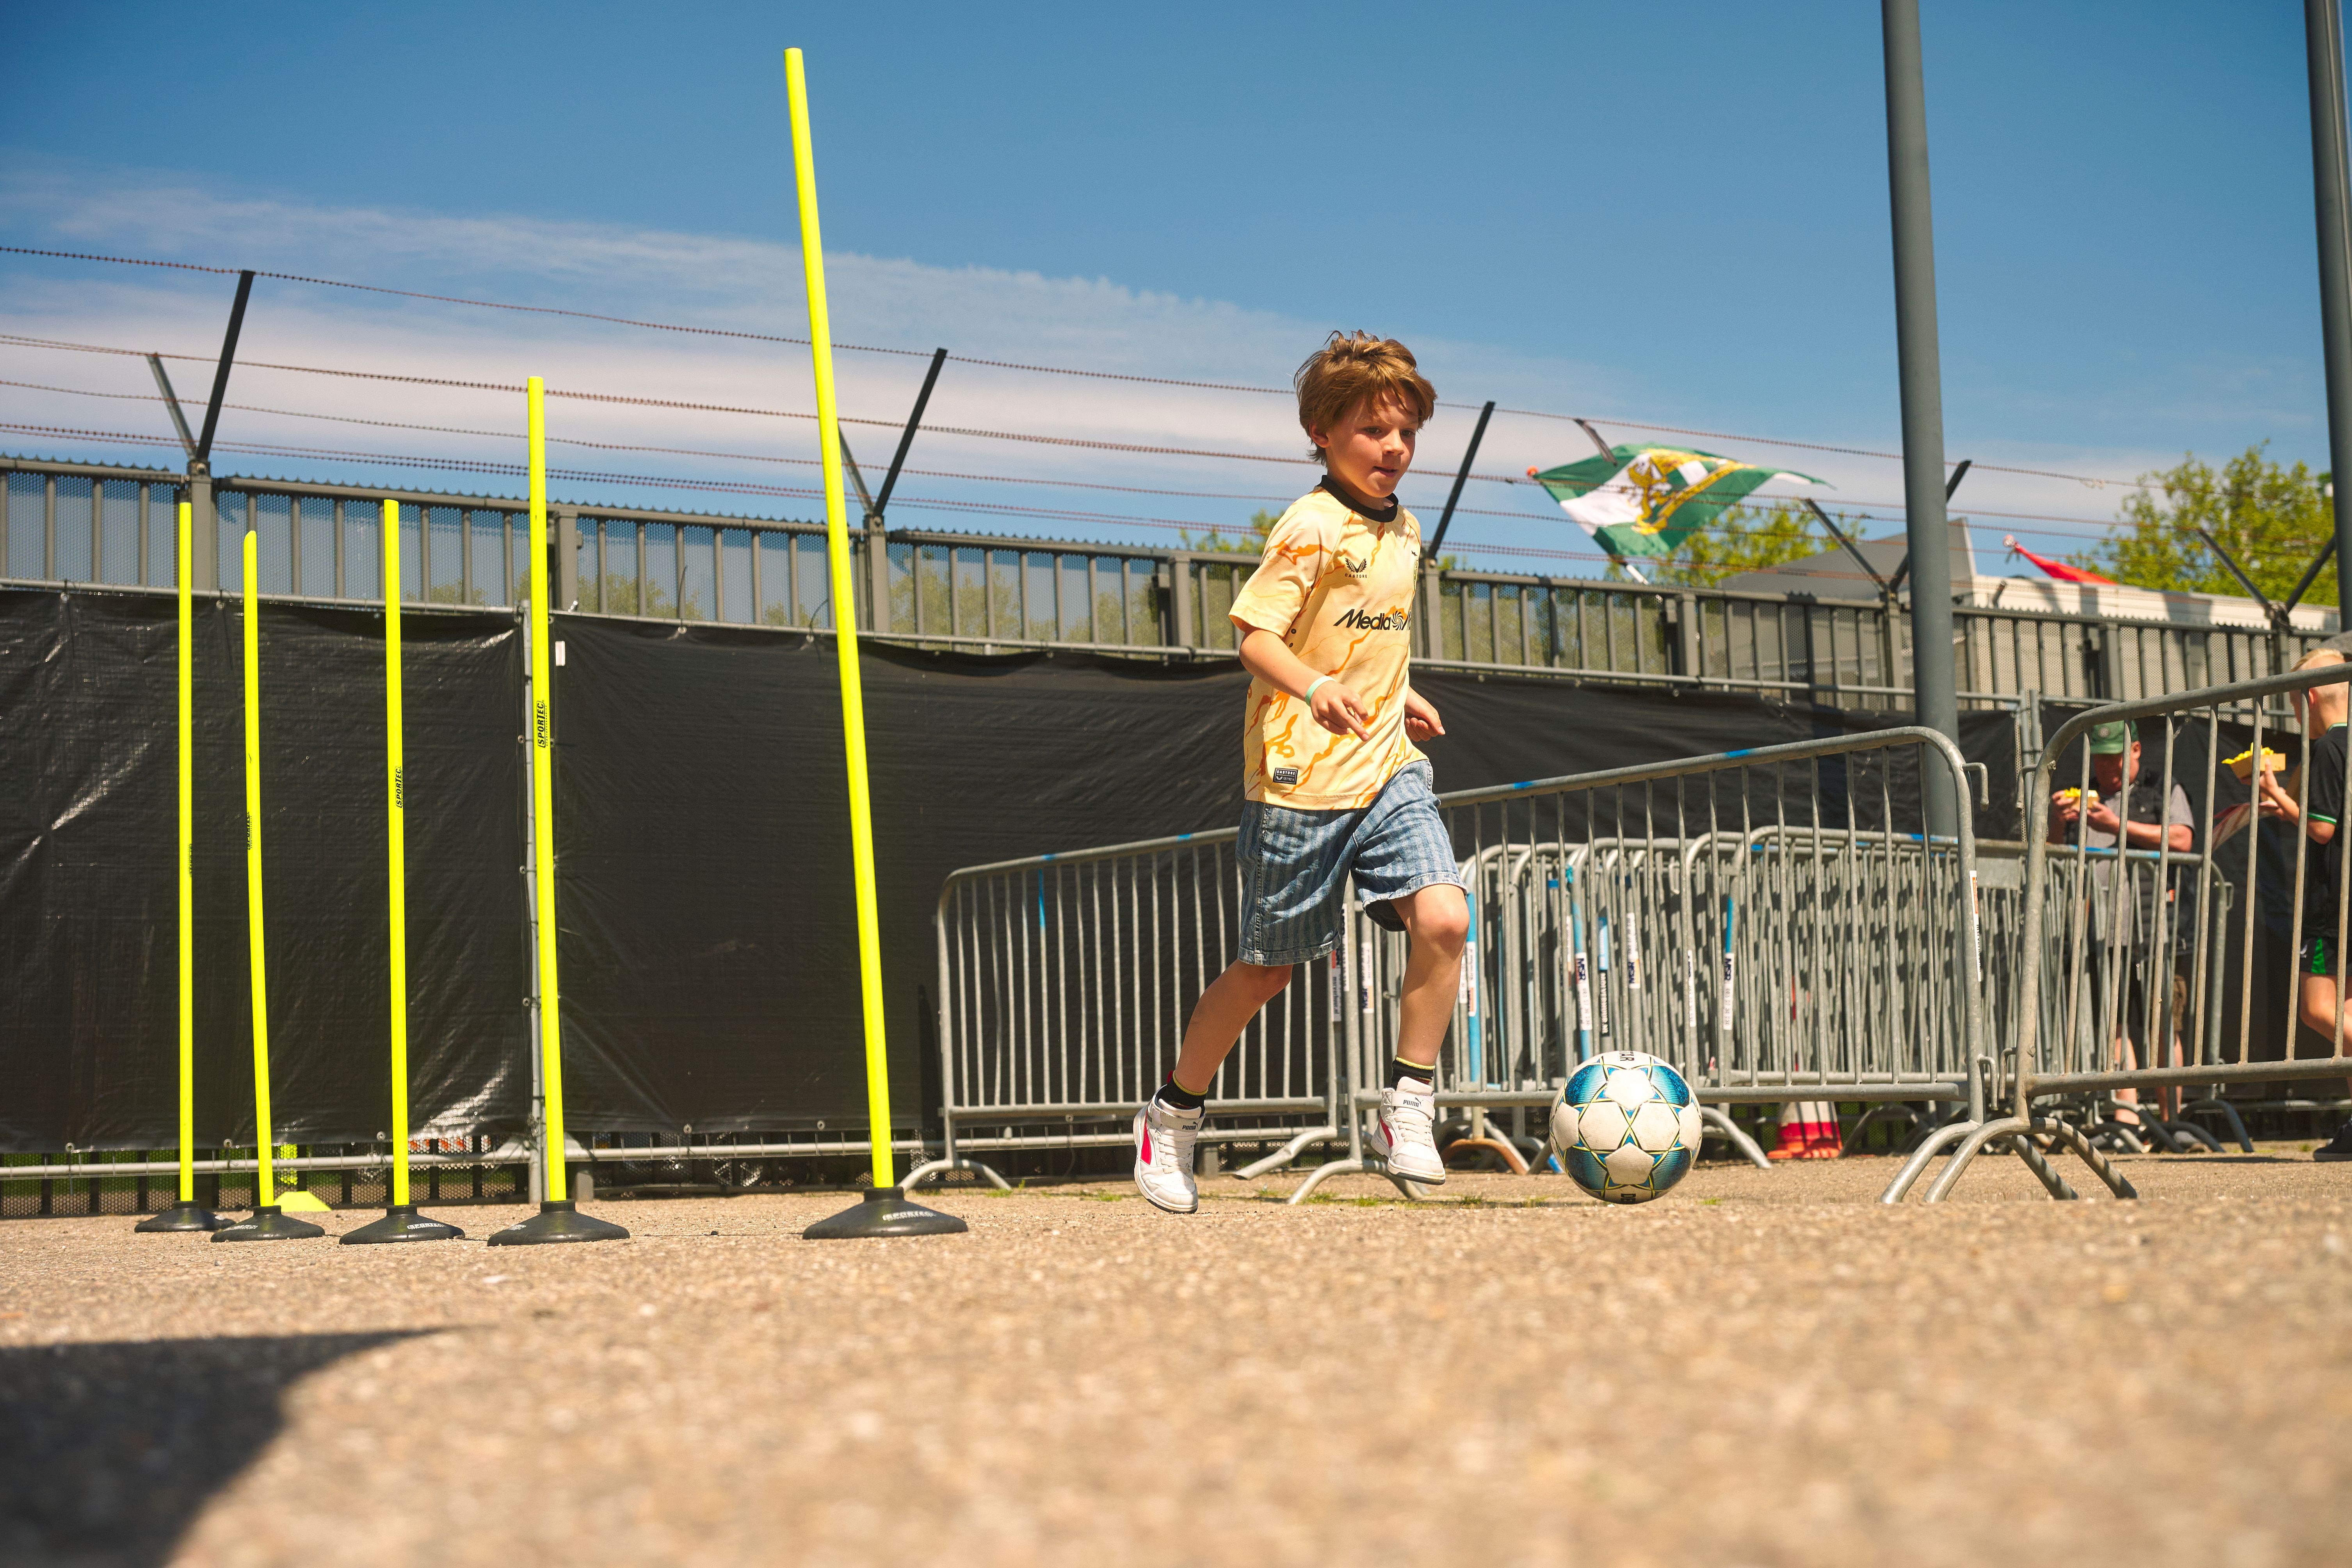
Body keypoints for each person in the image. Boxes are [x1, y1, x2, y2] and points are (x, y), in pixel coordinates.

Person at [1132, 332, 1469, 1214]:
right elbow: (1256, 637)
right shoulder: (1307, 525)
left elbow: (1366, 641)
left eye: (1403, 431)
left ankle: (1407, 1103)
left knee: (1443, 915)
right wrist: (1313, 687)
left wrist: (1400, 696)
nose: (1392, 448)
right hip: (1296, 782)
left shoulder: (1404, 530)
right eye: (1370, 430)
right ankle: (1170, 1115)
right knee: (1266, 969)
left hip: (1385, 766)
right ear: (1321, 432)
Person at [2048, 719, 2194, 1133]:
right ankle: (2125, 1122)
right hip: (2099, 930)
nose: (2109, 768)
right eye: (2101, 759)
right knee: (2114, 1025)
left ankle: (2173, 1123)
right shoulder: (2082, 793)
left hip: (2158, 928)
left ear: (2135, 751)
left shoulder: (2160, 788)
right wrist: (2057, 822)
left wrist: (2116, 827)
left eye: (2116, 758)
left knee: (2165, 1023)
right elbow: (2051, 855)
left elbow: (2183, 840)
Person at [2253, 648, 2352, 1161]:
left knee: (2318, 1008)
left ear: (2308, 698)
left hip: (2333, 901)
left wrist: (2278, 797)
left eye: (2294, 703)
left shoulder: (2327, 750)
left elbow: (2320, 828)